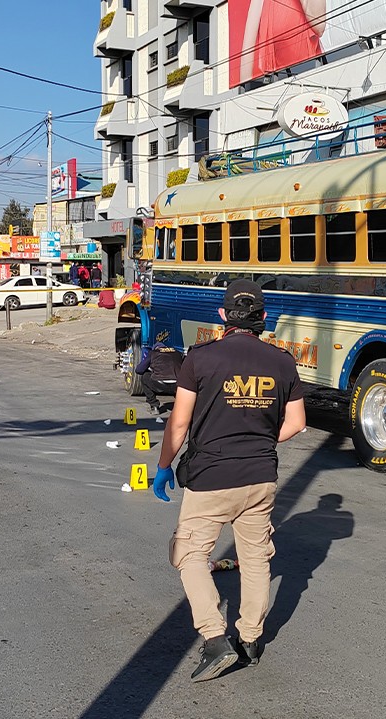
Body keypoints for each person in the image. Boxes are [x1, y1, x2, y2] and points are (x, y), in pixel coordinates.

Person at [153, 279, 306, 682]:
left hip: (211, 478)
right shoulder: (283, 361)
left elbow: (180, 421)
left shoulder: (201, 358)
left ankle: (215, 638)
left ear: (222, 316)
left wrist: (164, 465)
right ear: (263, 318)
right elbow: (297, 423)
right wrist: (255, 441)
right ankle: (251, 640)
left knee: (188, 553)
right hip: (260, 478)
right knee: (256, 559)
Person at [135, 342, 183, 415]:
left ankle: (154, 406)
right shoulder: (178, 353)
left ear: (155, 348)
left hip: (159, 383)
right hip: (177, 384)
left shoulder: (153, 353)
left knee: (145, 377)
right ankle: (181, 406)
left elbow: (139, 370)